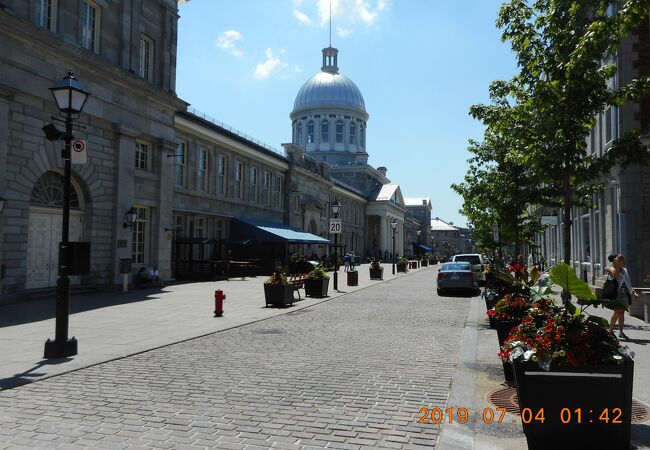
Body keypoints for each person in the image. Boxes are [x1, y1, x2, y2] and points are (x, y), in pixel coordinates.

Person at [607, 254, 639, 339]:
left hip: (624, 294)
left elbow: (628, 282)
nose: (623, 262)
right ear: (616, 261)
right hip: (616, 295)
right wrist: (617, 266)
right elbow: (616, 276)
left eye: (623, 260)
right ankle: (610, 331)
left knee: (622, 313)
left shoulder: (625, 270)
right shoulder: (611, 269)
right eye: (621, 260)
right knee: (617, 312)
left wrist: (633, 292)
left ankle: (621, 332)